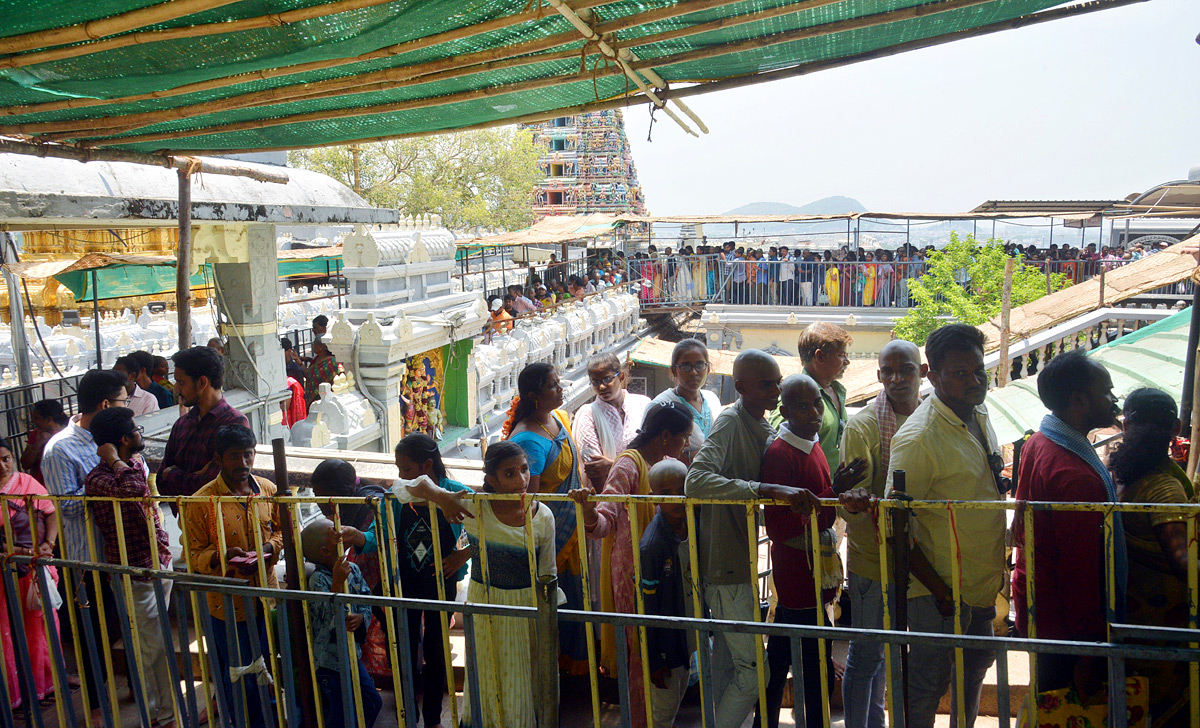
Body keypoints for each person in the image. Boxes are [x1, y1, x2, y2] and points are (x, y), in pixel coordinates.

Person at [684, 350, 825, 728]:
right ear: (741, 386)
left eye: (778, 382)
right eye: (767, 384)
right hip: (725, 562)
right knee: (753, 674)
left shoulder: (762, 425)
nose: (776, 391)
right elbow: (695, 481)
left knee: (731, 666)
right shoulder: (731, 421)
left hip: (742, 562)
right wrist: (764, 488)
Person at [887, 324, 1005, 728]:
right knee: (925, 689)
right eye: (960, 373)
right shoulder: (918, 438)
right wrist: (940, 593)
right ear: (933, 377)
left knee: (972, 676)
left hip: (981, 586)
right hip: (938, 594)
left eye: (979, 371)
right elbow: (895, 528)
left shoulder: (979, 412)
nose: (974, 381)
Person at [338, 435, 473, 728]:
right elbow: (377, 536)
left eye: (407, 469)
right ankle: (407, 715)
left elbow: (484, 530)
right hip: (405, 583)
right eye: (398, 469)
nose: (400, 476)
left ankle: (433, 719)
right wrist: (357, 536)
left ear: (427, 465)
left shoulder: (456, 493)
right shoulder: (398, 496)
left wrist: (462, 556)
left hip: (442, 583)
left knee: (437, 654)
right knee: (404, 651)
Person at [571, 403, 693, 726]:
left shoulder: (664, 464)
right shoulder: (628, 464)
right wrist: (587, 511)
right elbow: (604, 522)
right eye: (683, 439)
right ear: (666, 436)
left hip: (661, 567)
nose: (685, 446)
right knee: (639, 656)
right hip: (633, 572)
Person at [1010, 349, 1121, 699]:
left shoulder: (1039, 442)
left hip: (1043, 610)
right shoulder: (1074, 475)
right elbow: (1080, 573)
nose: (1114, 399)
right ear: (1079, 400)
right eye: (1107, 391)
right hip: (1068, 626)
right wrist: (1089, 654)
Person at [760, 375, 870, 728]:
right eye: (803, 406)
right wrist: (832, 491)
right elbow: (777, 526)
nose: (813, 413)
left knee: (785, 659)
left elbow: (822, 506)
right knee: (809, 664)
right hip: (797, 573)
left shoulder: (814, 443)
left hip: (817, 571)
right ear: (785, 410)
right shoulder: (780, 454)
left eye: (817, 405)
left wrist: (834, 491)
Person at [840, 340, 927, 728]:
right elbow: (853, 504)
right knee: (869, 652)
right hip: (873, 557)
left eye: (905, 369)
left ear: (922, 372)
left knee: (907, 653)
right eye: (888, 372)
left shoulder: (933, 415)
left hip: (923, 558)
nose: (897, 379)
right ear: (878, 376)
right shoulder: (862, 425)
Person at [40, 368, 128, 721]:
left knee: (127, 628)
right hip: (88, 560)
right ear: (106, 404)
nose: (127, 407)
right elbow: (69, 505)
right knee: (94, 638)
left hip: (123, 552)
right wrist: (109, 474)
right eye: (123, 401)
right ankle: (95, 709)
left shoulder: (112, 437)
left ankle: (138, 693)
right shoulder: (60, 450)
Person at [181, 425, 281, 728]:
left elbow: (282, 534)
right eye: (234, 456)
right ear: (219, 459)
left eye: (248, 455)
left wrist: (266, 547)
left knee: (269, 670)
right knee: (238, 674)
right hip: (227, 605)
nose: (243, 463)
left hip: (266, 596)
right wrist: (221, 557)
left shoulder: (267, 489)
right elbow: (193, 556)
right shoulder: (201, 502)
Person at [85, 407, 177, 728]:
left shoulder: (136, 463)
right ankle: (161, 713)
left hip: (158, 561)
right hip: (134, 572)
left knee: (157, 640)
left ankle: (163, 709)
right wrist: (113, 460)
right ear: (124, 439)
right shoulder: (98, 478)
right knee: (151, 646)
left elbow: (146, 494)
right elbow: (133, 490)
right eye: (136, 428)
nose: (140, 432)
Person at [1111, 387, 1195, 726]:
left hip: (1130, 614)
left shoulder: (1127, 475)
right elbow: (1182, 562)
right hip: (1164, 626)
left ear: (1124, 425)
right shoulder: (1164, 486)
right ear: (1176, 427)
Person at [459, 442, 556, 728]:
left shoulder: (542, 516)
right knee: (487, 672)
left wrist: (548, 618)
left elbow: (548, 573)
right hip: (484, 604)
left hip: (527, 605)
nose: (522, 479)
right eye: (510, 474)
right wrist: (445, 498)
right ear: (492, 480)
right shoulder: (475, 509)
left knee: (523, 677)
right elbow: (409, 487)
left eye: (524, 470)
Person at [502, 362, 588, 672]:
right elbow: (531, 502)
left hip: (572, 527)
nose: (561, 388)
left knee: (575, 599)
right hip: (552, 538)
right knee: (558, 604)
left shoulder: (556, 420)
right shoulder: (528, 440)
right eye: (552, 385)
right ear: (534, 396)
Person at [302, 519, 382, 728]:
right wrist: (337, 584)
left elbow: (365, 599)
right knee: (341, 715)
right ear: (325, 552)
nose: (342, 537)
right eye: (335, 536)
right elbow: (323, 619)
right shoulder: (318, 580)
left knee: (371, 702)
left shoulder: (353, 569)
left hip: (351, 656)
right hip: (330, 663)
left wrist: (361, 617)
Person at [0, 437, 61, 711]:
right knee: (5, 630)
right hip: (4, 570)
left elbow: (50, 512)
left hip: (33, 567)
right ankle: (13, 694)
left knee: (38, 626)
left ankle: (43, 686)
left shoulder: (27, 482)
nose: (2, 466)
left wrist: (49, 543)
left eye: (6, 458)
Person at [639, 460, 694, 728]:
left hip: (685, 636)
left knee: (676, 698)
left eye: (681, 489)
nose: (677, 499)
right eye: (667, 492)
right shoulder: (653, 545)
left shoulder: (690, 522)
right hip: (667, 645)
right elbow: (648, 605)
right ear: (653, 498)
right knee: (661, 713)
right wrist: (654, 658)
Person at [157, 346, 250, 498]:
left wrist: (173, 474)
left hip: (219, 519)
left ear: (202, 382)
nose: (176, 389)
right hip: (187, 519)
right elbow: (161, 482)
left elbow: (214, 484)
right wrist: (196, 476)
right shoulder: (182, 424)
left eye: (181, 382)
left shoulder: (234, 422)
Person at [775, 322, 852, 470]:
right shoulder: (795, 396)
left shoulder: (836, 390)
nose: (847, 362)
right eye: (841, 355)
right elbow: (783, 449)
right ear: (820, 357)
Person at [574, 353, 652, 491]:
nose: (602, 387)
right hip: (609, 495)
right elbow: (595, 469)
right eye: (595, 382)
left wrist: (611, 465)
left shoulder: (643, 404)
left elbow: (656, 455)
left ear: (621, 376)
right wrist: (609, 504)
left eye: (607, 379)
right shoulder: (588, 414)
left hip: (647, 491)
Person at [651, 338, 722, 463]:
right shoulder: (662, 406)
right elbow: (652, 456)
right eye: (686, 366)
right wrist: (707, 454)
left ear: (708, 369)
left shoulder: (712, 400)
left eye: (700, 365)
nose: (694, 372)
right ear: (674, 370)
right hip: (674, 480)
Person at [21, 399, 68, 485]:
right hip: (40, 485)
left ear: (49, 419)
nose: (33, 421)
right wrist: (38, 444)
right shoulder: (36, 434)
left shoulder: (68, 434)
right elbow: (25, 464)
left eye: (37, 418)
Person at [306, 336, 339, 405]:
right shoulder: (317, 359)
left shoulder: (331, 362)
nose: (312, 346)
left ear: (321, 346)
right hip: (312, 399)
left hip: (325, 399)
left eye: (314, 344)